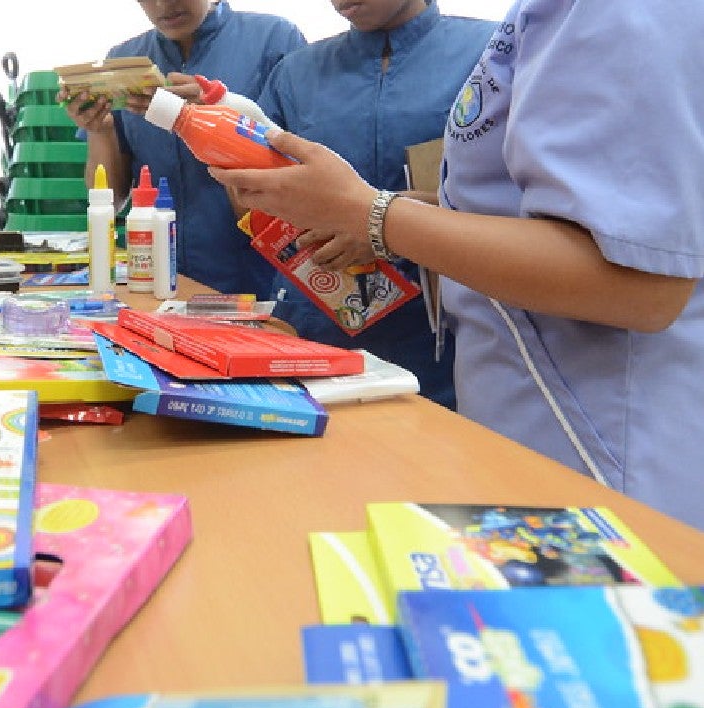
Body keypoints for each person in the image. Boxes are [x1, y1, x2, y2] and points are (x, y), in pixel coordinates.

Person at [209, 1, 704, 532]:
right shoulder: (533, 25)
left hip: (595, 435)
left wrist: (370, 214)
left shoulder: (616, 14)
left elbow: (639, 279)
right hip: (507, 397)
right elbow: (508, 207)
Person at [254, 0, 497, 409]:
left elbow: (520, 203)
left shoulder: (489, 54)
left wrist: (386, 220)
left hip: (449, 338)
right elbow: (259, 198)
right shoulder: (296, 73)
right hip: (319, 327)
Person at [60, 0, 306, 298]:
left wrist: (223, 117)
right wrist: (100, 130)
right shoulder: (124, 61)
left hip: (259, 279)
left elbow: (305, 171)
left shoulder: (274, 39)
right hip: (157, 283)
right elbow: (108, 199)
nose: (163, 5)